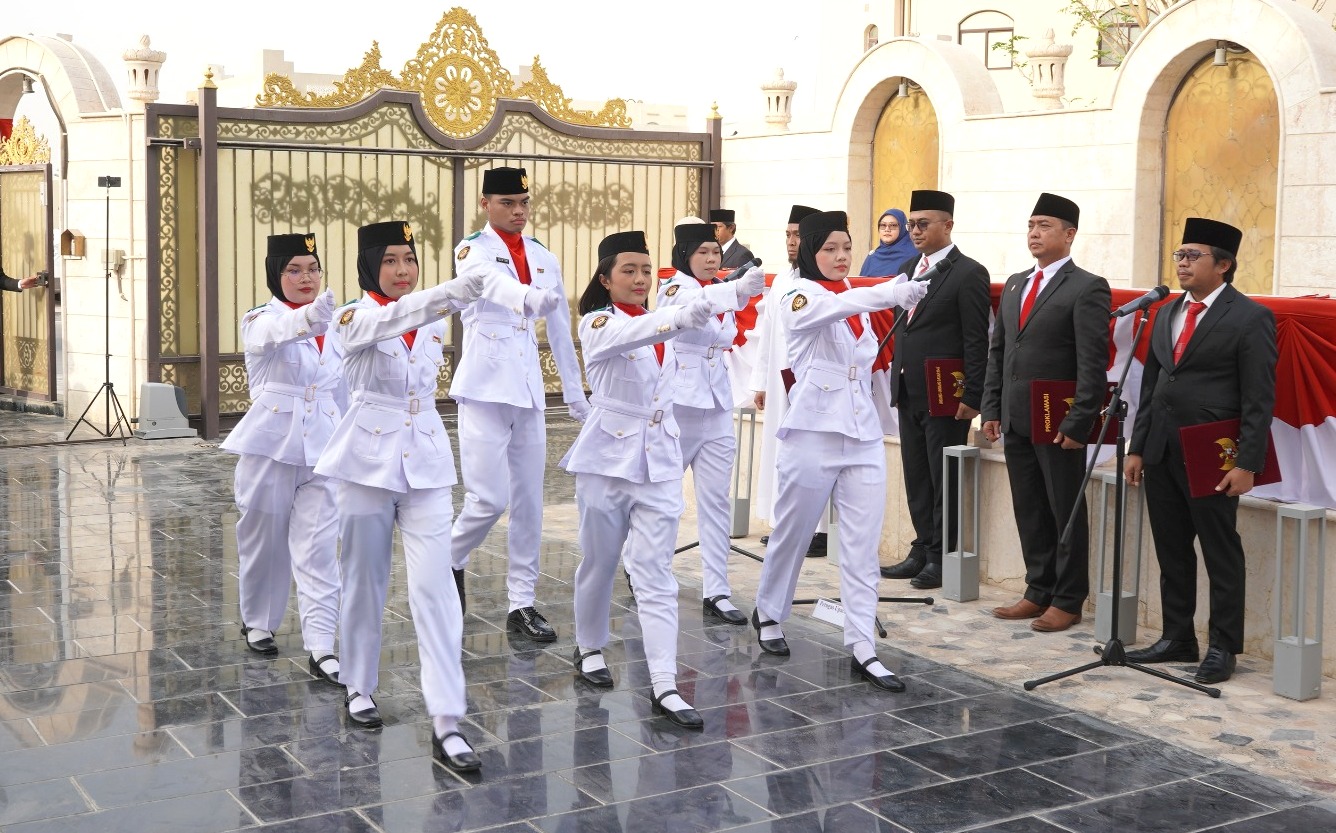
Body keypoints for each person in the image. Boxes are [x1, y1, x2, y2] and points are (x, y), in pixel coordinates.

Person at [315, 220, 509, 772]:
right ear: (370, 267)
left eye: (410, 259)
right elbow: (397, 317)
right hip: (365, 465)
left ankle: (447, 719)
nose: (402, 270)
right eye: (391, 261)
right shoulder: (351, 317)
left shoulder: (427, 323)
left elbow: (422, 333)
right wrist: (453, 291)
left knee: (437, 590)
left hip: (424, 463)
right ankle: (358, 683)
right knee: (364, 581)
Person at [564, 229, 762, 728]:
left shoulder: (660, 321)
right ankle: (589, 648)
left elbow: (692, 335)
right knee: (601, 563)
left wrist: (723, 297)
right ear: (605, 279)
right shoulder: (597, 323)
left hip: (658, 461)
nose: (638, 278)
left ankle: (664, 684)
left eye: (646, 270)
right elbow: (649, 330)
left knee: (656, 575)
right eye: (627, 271)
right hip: (607, 461)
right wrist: (722, 296)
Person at [750, 210, 928, 691]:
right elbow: (828, 309)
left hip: (860, 432)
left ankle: (862, 644)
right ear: (810, 251)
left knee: (860, 543)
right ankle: (769, 613)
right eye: (829, 248)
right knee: (794, 530)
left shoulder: (852, 299)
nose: (841, 256)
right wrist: (891, 290)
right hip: (812, 431)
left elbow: (864, 359)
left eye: (847, 247)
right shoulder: (794, 294)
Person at [1125, 218, 1277, 684]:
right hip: (1163, 451)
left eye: (1193, 256)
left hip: (1214, 453)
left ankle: (1224, 645)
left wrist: (1248, 463)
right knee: (1171, 547)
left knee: (1219, 550)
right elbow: (1151, 383)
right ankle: (1177, 636)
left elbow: (1259, 398)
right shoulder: (1168, 310)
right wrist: (1137, 448)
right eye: (1180, 255)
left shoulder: (1250, 317)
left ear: (1224, 264)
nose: (1183, 263)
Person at [448, 166, 588, 643]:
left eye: (524, 203)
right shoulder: (471, 249)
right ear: (486, 203)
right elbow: (489, 284)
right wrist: (527, 297)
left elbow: (561, 330)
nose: (519, 211)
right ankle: (449, 558)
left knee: (530, 502)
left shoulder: (544, 256)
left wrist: (574, 392)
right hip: (485, 389)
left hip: (528, 393)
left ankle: (522, 602)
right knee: (488, 498)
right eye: (508, 202)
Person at [981, 193, 1111, 633]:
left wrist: (1079, 422)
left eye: (1045, 226)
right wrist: (992, 407)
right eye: (1031, 225)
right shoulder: (1017, 283)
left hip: (1058, 420)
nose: (1034, 233)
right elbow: (999, 351)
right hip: (1017, 417)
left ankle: (1069, 599)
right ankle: (1038, 589)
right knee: (1030, 507)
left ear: (1069, 234)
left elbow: (1092, 363)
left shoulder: (1086, 286)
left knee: (1064, 509)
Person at [220, 233, 344, 685]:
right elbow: (270, 335)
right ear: (277, 274)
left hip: (323, 448)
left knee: (318, 549)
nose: (306, 278)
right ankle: (259, 622)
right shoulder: (259, 318)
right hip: (271, 445)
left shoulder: (334, 321)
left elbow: (342, 388)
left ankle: (322, 645)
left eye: (313, 268)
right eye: (295, 270)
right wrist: (311, 317)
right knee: (263, 539)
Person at [880, 190, 991, 590]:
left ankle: (942, 555)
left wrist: (972, 396)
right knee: (916, 474)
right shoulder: (909, 267)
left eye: (922, 223)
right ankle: (922, 546)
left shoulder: (967, 272)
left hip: (946, 393)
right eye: (911, 224)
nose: (914, 231)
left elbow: (977, 340)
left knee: (944, 476)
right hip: (909, 387)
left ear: (948, 225)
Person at [656, 222, 765, 625]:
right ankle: (645, 569)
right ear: (685, 254)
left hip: (717, 403)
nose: (710, 259)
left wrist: (732, 289)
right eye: (702, 252)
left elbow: (726, 330)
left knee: (717, 501)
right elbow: (689, 313)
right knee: (665, 498)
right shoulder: (673, 287)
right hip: (681, 405)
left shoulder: (718, 287)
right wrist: (735, 289)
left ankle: (716, 590)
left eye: (716, 252)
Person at [749, 205, 829, 557]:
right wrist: (760, 381)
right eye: (787, 234)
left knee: (813, 454)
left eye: (798, 235)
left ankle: (820, 531)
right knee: (784, 454)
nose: (791, 242)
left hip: (813, 384)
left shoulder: (825, 282)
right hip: (782, 383)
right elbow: (767, 335)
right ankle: (789, 523)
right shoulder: (782, 280)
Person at [859, 208, 917, 278]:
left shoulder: (914, 255)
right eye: (883, 225)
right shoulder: (873, 257)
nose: (887, 230)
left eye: (893, 225)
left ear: (902, 228)